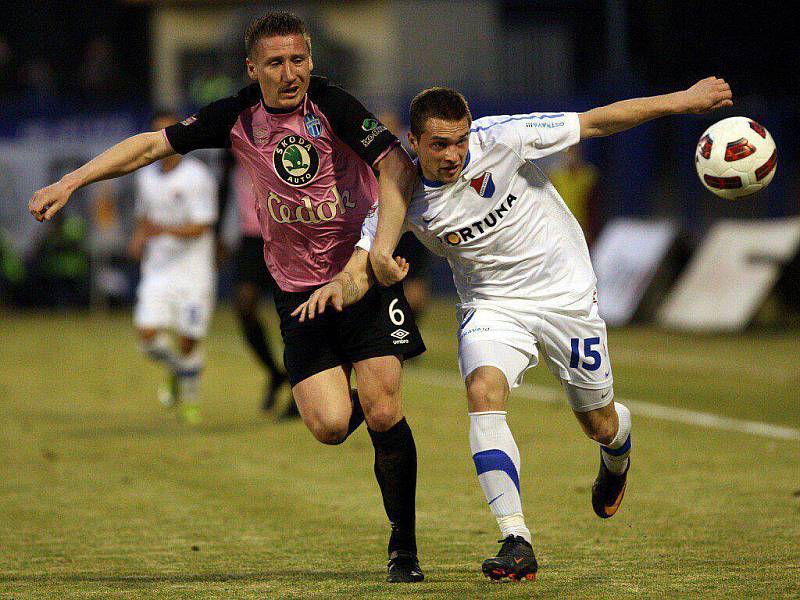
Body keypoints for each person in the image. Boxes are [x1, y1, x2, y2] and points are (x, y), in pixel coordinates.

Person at [28, 11, 426, 583]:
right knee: (331, 425)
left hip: (360, 277)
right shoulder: (238, 116)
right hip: (296, 291)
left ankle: (404, 549)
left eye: (299, 59)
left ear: (311, 59)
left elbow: (397, 168)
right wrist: (71, 182)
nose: (290, 73)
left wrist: (373, 256)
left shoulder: (336, 106)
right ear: (252, 68)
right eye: (276, 63)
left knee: (386, 409)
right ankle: (350, 390)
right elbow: (148, 147)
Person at [294, 77, 734, 582]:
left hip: (565, 296)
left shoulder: (501, 138)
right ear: (412, 143)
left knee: (599, 423)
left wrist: (682, 99)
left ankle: (617, 453)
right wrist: (350, 283)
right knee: (482, 391)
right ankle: (515, 538)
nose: (454, 154)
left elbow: (596, 120)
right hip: (492, 305)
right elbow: (360, 266)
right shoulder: (400, 199)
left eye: (459, 141)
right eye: (439, 144)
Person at [127, 111, 218, 424]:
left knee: (189, 338)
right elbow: (144, 216)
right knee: (148, 337)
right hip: (158, 269)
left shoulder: (197, 176)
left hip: (194, 272)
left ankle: (190, 400)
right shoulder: (145, 176)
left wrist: (161, 231)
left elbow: (202, 226)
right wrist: (139, 238)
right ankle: (181, 371)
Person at [217, 149, 293, 415]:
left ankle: (300, 390)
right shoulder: (234, 137)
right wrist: (218, 236)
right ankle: (275, 372)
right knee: (244, 305)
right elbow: (224, 187)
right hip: (251, 239)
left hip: (288, 235)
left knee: (295, 315)